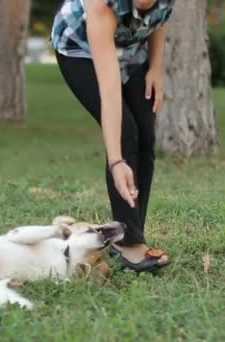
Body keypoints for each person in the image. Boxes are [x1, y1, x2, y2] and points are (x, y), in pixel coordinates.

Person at [51, 0, 174, 272]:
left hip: (130, 48)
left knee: (145, 132)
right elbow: (109, 93)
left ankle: (134, 233)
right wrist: (116, 160)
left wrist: (156, 67)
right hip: (79, 47)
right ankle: (128, 244)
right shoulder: (103, 5)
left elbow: (160, 19)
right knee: (126, 133)